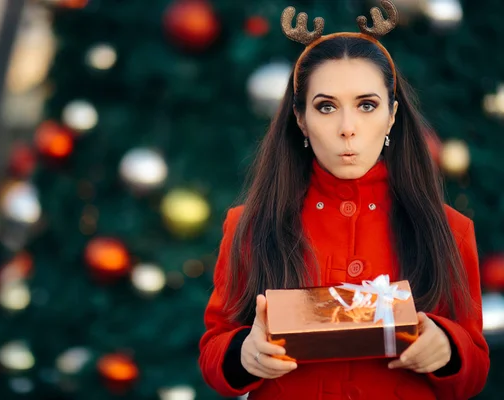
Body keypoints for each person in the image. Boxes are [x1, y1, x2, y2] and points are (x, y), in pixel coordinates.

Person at [198, 1, 489, 399]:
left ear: (391, 116)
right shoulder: (249, 223)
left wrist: (447, 347)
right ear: (300, 119)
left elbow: (474, 367)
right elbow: (215, 348)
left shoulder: (450, 228)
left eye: (366, 106)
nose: (347, 128)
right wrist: (244, 353)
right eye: (326, 107)